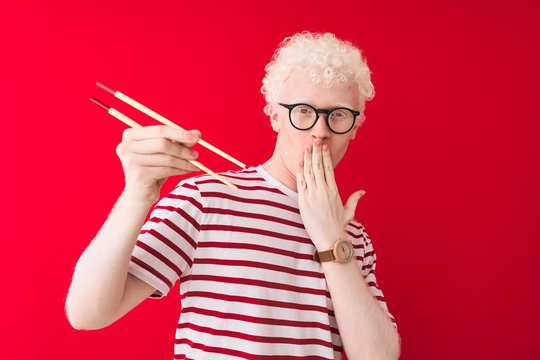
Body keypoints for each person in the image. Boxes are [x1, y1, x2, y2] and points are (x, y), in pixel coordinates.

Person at [66, 31, 401, 360]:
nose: (320, 130)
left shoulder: (352, 239)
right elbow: (87, 314)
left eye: (338, 115)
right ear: (274, 115)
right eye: (302, 110)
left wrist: (331, 239)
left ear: (355, 127)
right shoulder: (206, 198)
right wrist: (136, 196)